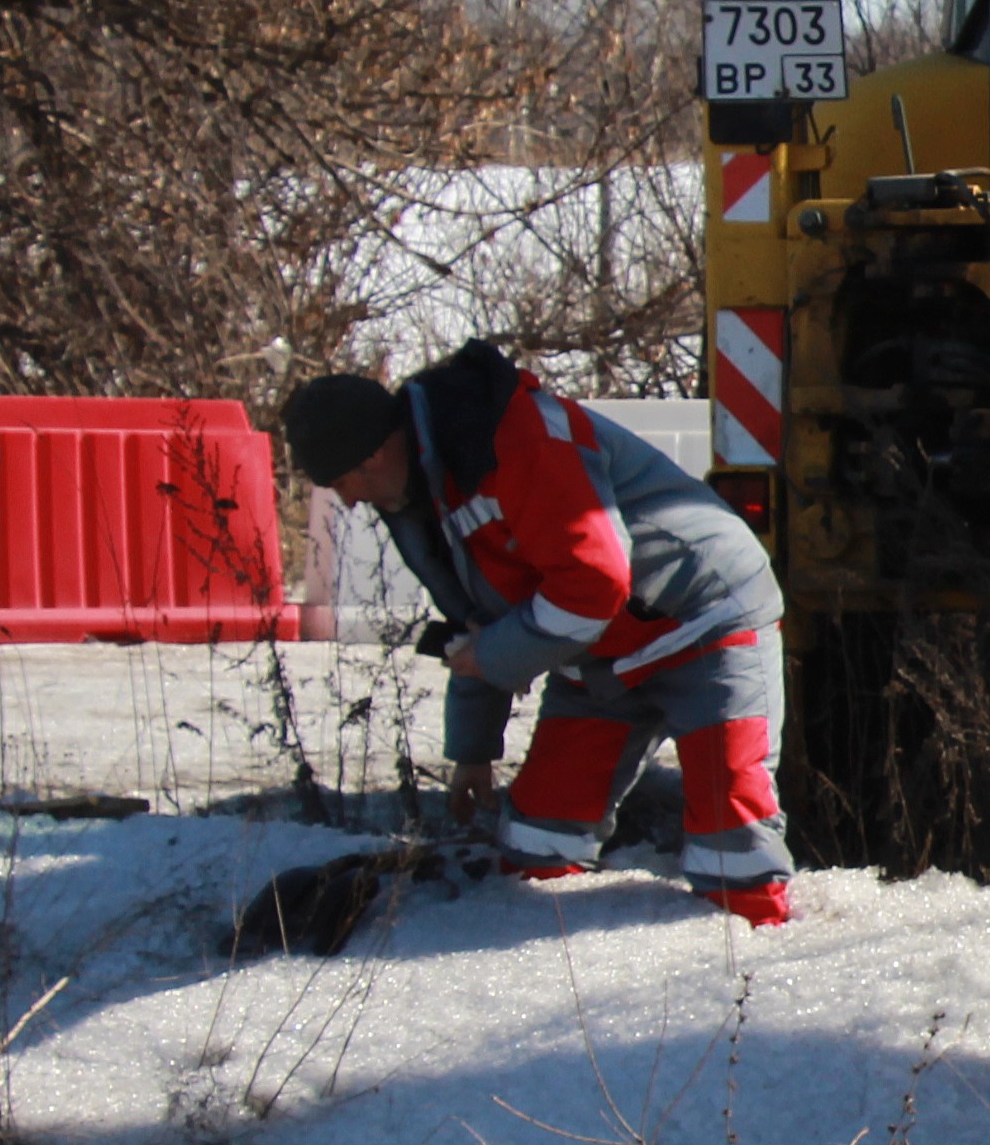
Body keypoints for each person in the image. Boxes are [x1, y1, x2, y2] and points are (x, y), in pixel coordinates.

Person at [282, 344, 792, 924]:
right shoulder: (427, 489)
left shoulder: (520, 439)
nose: (349, 500)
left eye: (343, 481)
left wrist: (492, 657)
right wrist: (473, 752)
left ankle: (751, 951)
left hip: (705, 621)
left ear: (375, 452)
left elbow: (594, 583)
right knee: (538, 840)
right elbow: (476, 627)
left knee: (734, 840)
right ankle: (550, 959)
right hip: (597, 652)